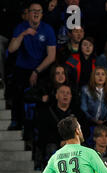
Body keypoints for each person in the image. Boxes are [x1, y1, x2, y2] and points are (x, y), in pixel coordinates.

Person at [8, 1, 57, 131]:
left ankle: (41, 126)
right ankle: (16, 121)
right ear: (28, 14)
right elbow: (12, 49)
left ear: (42, 14)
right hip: (23, 67)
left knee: (46, 92)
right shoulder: (21, 27)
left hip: (41, 68)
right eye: (33, 11)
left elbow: (51, 56)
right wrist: (23, 34)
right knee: (17, 89)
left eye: (38, 11)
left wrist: (36, 71)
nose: (36, 13)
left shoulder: (47, 29)